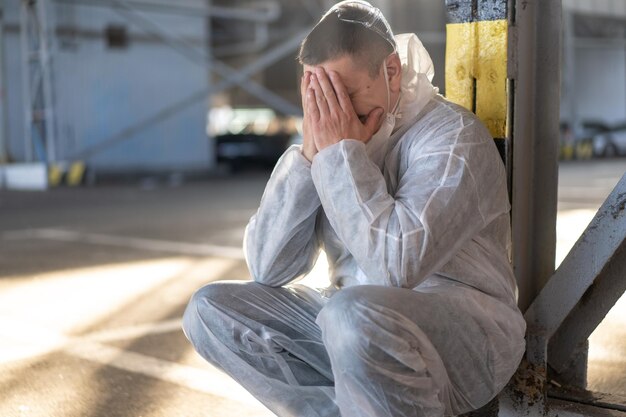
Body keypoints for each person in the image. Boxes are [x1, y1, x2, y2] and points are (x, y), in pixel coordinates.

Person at [182, 1, 526, 416]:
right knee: (209, 311)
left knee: (352, 313)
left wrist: (339, 158)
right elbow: (269, 267)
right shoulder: (326, 144)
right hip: (349, 323)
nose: (333, 112)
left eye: (343, 95)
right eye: (319, 97)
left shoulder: (451, 136)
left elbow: (395, 266)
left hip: (464, 334)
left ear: (392, 72)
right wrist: (309, 158)